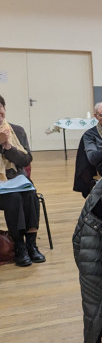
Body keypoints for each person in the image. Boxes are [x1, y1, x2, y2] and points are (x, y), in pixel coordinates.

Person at [0, 95, 43, 267]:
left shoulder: (17, 130)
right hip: (3, 189)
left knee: (30, 194)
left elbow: (26, 160)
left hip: (15, 180)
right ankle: (19, 246)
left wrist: (8, 147)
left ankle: (31, 245)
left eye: (1, 111)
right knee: (14, 198)